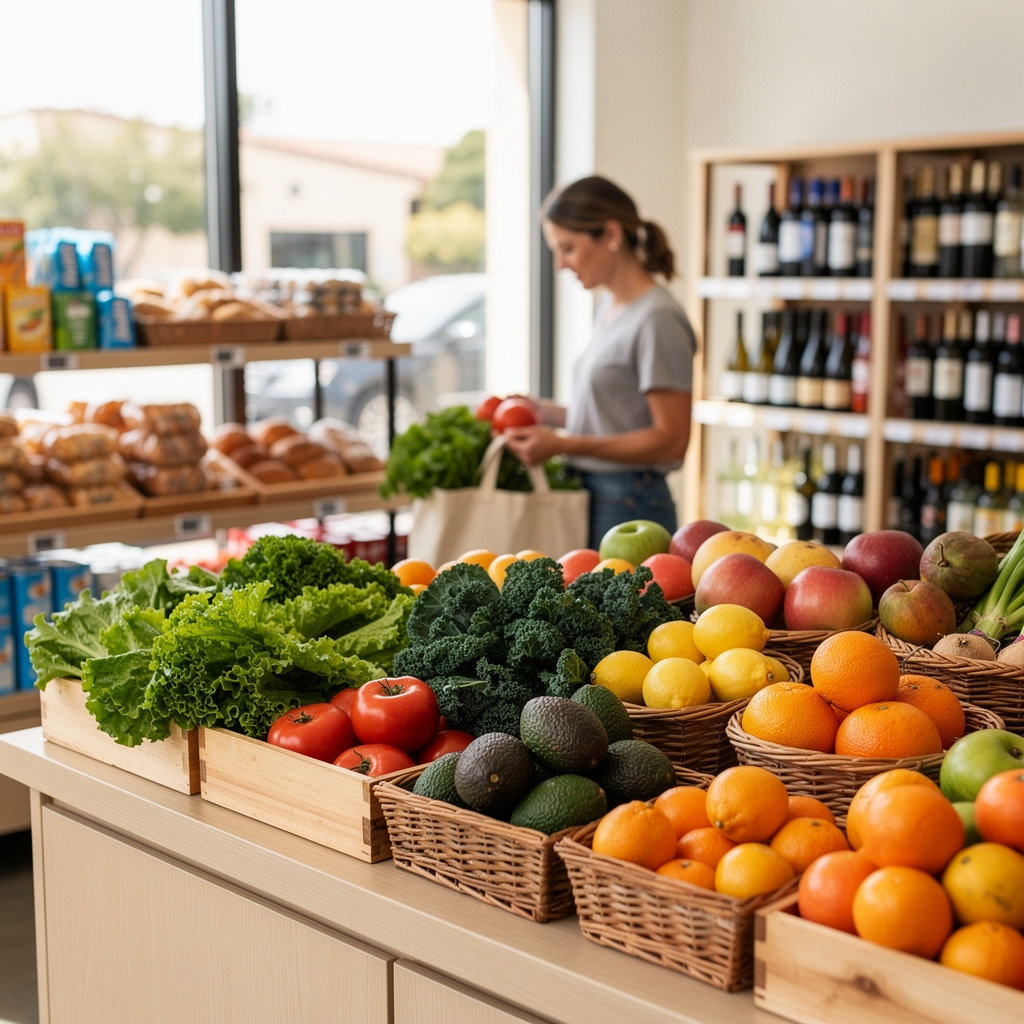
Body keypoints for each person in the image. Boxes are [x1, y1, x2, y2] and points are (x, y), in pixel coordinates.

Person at [503, 174, 697, 549]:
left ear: (611, 234)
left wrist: (563, 444)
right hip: (597, 494)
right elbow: (617, 415)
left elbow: (671, 441)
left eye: (568, 248)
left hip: (629, 503)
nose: (560, 264)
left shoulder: (658, 319)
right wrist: (546, 413)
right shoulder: (609, 307)